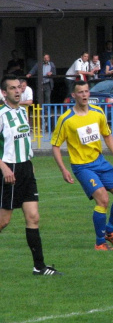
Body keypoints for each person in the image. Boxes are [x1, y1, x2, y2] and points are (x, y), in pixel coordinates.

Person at [51, 81, 113, 251]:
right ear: (74, 95)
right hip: (82, 166)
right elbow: (56, 146)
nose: (84, 95)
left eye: (86, 91)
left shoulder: (97, 112)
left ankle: (109, 232)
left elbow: (107, 135)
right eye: (80, 92)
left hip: (100, 161)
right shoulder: (66, 119)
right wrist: (63, 169)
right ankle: (100, 242)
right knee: (102, 199)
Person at [0, 76, 61, 276]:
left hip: (25, 169)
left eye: (19, 87)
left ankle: (39, 267)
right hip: (8, 170)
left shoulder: (23, 113)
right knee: (3, 221)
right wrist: (4, 168)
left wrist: (29, 162)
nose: (17, 91)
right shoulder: (1, 115)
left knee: (33, 217)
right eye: (12, 88)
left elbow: (24, 141)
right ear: (4, 93)